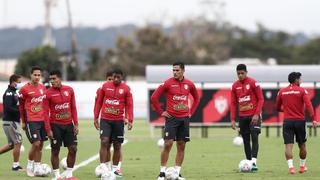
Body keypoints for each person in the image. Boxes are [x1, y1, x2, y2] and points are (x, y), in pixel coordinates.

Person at [151, 61, 200, 180]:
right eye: (173, 70)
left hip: (184, 119)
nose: (175, 72)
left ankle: (177, 172)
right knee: (168, 144)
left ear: (183, 70)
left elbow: (197, 98)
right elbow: (154, 97)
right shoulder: (168, 83)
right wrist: (161, 112)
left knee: (181, 145)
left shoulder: (189, 84)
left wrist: (190, 112)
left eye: (177, 70)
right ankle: (162, 172)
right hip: (171, 119)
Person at [94, 68, 133, 177]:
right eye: (114, 77)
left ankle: (115, 169)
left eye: (118, 77)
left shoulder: (126, 89)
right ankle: (103, 166)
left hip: (118, 121)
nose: (115, 79)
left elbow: (129, 105)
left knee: (117, 145)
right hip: (105, 120)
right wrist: (95, 117)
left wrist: (130, 119)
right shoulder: (105, 87)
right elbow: (99, 103)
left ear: (122, 78)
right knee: (104, 141)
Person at [276, 72, 317, 174]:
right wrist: (313, 119)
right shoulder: (302, 91)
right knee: (302, 144)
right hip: (300, 121)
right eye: (300, 79)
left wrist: (286, 110)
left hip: (287, 122)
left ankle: (291, 168)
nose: (301, 81)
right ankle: (302, 167)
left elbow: (277, 107)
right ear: (296, 80)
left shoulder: (282, 91)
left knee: (288, 146)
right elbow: (309, 106)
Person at [45, 70, 79, 180]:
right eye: (50, 79)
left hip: (69, 125)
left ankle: (69, 175)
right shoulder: (48, 93)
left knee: (73, 149)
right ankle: (57, 176)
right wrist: (48, 129)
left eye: (54, 79)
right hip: (55, 126)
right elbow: (45, 113)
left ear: (60, 78)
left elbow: (73, 107)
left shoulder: (69, 90)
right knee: (55, 151)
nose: (52, 81)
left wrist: (76, 124)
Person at [230, 64, 264, 171]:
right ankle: (249, 162)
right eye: (238, 73)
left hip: (254, 116)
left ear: (246, 72)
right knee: (245, 140)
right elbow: (233, 103)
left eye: (242, 73)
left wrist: (256, 114)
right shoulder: (235, 86)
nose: (240, 75)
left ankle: (254, 162)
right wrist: (232, 119)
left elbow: (261, 99)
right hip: (242, 117)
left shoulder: (253, 83)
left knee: (254, 137)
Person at [18, 66, 51, 177]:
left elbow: (46, 104)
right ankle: (29, 166)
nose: (37, 77)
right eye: (35, 75)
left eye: (39, 75)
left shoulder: (43, 88)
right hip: (31, 120)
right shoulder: (24, 89)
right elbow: (21, 106)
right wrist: (23, 121)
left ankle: (37, 167)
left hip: (42, 120)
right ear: (31, 75)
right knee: (36, 143)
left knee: (40, 144)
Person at [0, 74, 23, 171]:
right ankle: (15, 166)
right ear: (13, 82)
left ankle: (16, 165)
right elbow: (8, 108)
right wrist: (21, 111)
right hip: (11, 121)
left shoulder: (14, 92)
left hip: (10, 121)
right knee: (18, 141)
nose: (20, 84)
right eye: (19, 82)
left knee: (11, 145)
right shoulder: (9, 93)